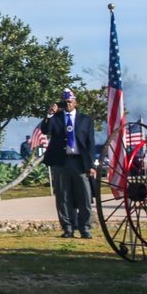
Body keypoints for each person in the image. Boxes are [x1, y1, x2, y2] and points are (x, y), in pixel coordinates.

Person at [40, 88, 96, 239]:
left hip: (79, 161)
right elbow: (45, 130)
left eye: (70, 102)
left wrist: (91, 165)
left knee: (84, 195)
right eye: (65, 102)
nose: (68, 105)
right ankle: (68, 228)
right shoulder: (56, 118)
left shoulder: (86, 120)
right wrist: (49, 115)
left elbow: (90, 144)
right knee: (63, 196)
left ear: (76, 102)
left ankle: (85, 228)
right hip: (61, 161)